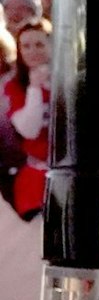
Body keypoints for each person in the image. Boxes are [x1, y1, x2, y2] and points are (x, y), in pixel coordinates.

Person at [5, 19, 53, 219]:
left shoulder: (67, 80)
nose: (33, 51)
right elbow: (29, 130)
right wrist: (34, 88)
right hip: (37, 172)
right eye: (26, 46)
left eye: (39, 44)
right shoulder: (14, 86)